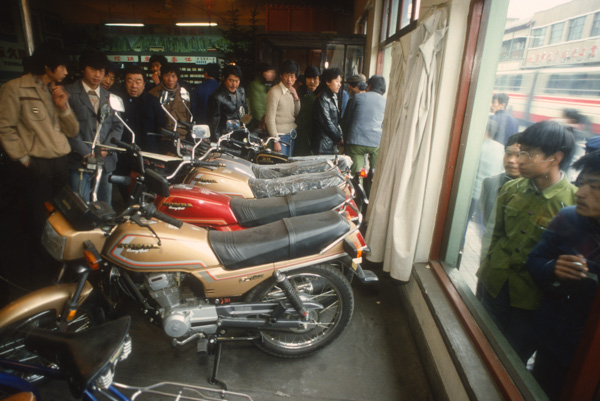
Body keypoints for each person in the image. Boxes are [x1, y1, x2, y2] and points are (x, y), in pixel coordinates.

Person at [476, 120, 576, 362]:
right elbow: (495, 235)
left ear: (555, 158)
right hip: (494, 285)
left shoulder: (572, 204)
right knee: (479, 345)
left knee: (512, 361)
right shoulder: (511, 190)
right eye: (519, 152)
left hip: (531, 300)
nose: (518, 160)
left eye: (528, 154)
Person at [526, 150, 600, 400]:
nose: (580, 193)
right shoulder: (568, 218)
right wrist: (552, 268)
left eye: (594, 187)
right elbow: (535, 260)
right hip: (555, 342)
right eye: (581, 184)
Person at [0, 41, 79, 247]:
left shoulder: (56, 90)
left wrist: (63, 108)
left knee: (61, 211)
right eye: (61, 66)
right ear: (47, 66)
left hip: (61, 160)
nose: (65, 71)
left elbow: (72, 131)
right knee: (38, 214)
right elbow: (5, 128)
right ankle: (39, 258)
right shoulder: (14, 88)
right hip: (37, 163)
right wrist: (23, 159)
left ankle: (58, 252)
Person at [66, 49, 123, 205]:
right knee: (80, 205)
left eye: (101, 71)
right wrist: (86, 152)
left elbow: (118, 126)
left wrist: (107, 148)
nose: (98, 75)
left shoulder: (110, 97)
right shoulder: (69, 93)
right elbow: (66, 127)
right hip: (79, 160)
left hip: (105, 161)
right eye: (93, 69)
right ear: (83, 69)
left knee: (105, 205)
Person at [342, 75, 386, 176]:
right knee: (375, 174)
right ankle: (371, 182)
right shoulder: (386, 102)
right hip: (375, 143)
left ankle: (357, 186)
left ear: (369, 86)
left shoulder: (356, 98)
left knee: (356, 173)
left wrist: (345, 138)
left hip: (356, 141)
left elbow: (346, 121)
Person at [148, 63, 192, 153]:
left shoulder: (184, 94)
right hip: (162, 138)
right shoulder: (153, 94)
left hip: (181, 138)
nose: (170, 79)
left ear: (177, 77)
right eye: (167, 75)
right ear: (162, 76)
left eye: (173, 76)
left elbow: (189, 117)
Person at [479, 134, 521, 227]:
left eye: (519, 155)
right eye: (508, 154)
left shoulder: (535, 190)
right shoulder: (490, 183)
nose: (511, 160)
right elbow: (486, 223)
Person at [265, 59, 301, 156]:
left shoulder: (291, 91)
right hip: (280, 136)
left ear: (296, 78)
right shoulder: (274, 92)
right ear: (281, 75)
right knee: (281, 166)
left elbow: (296, 113)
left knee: (288, 165)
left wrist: (296, 98)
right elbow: (270, 119)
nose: (289, 80)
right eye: (286, 75)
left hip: (291, 135)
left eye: (292, 76)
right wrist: (275, 140)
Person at [207, 64, 248, 141]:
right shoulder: (217, 96)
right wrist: (217, 142)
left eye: (237, 81)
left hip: (241, 134)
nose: (234, 85)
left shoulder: (241, 91)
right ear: (224, 78)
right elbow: (214, 123)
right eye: (231, 81)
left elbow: (245, 110)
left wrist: (246, 130)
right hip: (225, 136)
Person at [312, 68, 344, 155]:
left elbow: (336, 122)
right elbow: (327, 122)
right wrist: (339, 138)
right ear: (328, 82)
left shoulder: (333, 96)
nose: (339, 85)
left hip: (331, 143)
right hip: (323, 145)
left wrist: (340, 136)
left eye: (340, 82)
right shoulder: (323, 98)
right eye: (337, 81)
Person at [294, 66, 321, 156]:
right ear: (305, 79)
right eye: (309, 78)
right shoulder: (299, 91)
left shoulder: (322, 93)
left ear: (319, 79)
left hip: (317, 133)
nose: (312, 82)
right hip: (302, 132)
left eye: (315, 78)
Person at [246, 63, 276, 130]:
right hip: (258, 123)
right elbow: (256, 108)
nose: (272, 75)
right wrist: (262, 121)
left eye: (273, 73)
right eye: (269, 72)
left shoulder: (268, 85)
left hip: (267, 121)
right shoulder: (254, 85)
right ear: (261, 73)